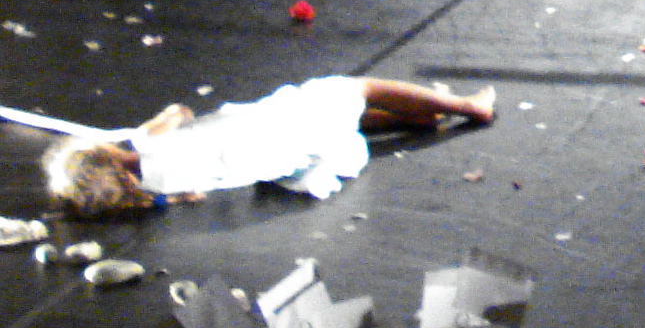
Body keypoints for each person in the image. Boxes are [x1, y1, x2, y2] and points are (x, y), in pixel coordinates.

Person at [43, 76, 495, 217]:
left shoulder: (154, 192)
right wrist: (158, 123)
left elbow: (193, 194)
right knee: (356, 88)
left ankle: (412, 116)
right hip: (280, 133)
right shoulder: (147, 143)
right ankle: (468, 106)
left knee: (334, 118)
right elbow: (180, 111)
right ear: (106, 152)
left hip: (287, 165)